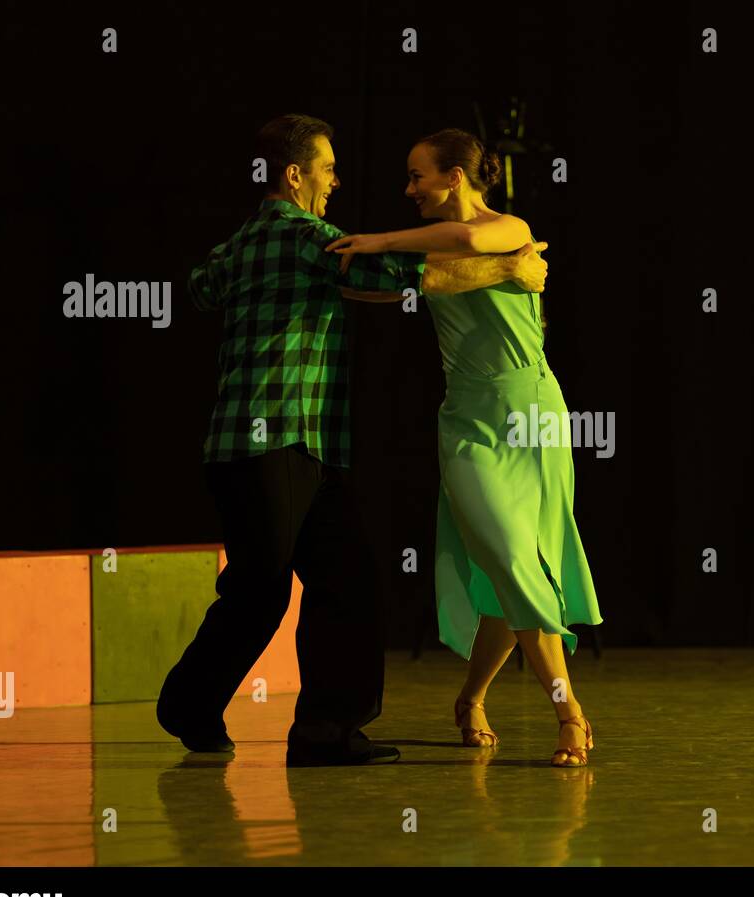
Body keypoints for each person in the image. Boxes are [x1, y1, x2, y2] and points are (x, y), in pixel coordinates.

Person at [156, 115, 549, 767]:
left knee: (346, 580)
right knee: (262, 589)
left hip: (297, 448)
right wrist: (511, 266)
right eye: (327, 167)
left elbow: (200, 287)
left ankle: (326, 730)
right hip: (270, 443)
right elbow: (403, 277)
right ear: (294, 174)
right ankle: (190, 701)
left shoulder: (245, 242)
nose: (336, 180)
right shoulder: (307, 237)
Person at [326, 129, 602, 767]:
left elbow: (471, 243)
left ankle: (471, 699)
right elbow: (394, 287)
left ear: (455, 176)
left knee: (519, 568)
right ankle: (570, 712)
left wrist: (381, 240)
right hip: (469, 421)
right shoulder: (476, 253)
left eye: (418, 176)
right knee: (508, 557)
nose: (408, 189)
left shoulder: (509, 226)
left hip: (534, 412)